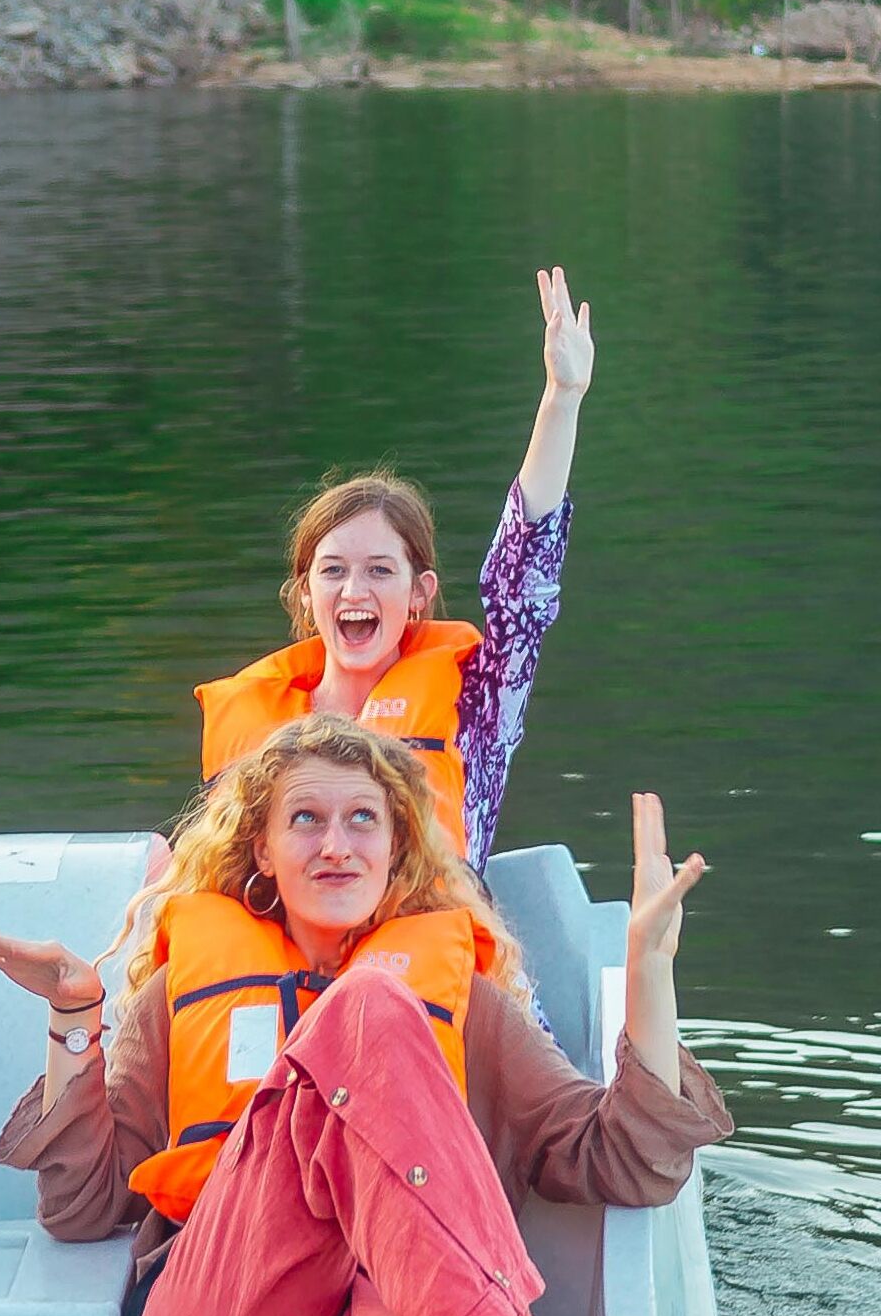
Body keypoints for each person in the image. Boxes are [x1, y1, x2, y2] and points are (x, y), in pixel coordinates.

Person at [0, 715, 726, 1316]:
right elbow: (83, 1209)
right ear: (263, 849)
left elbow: (619, 1159)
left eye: (363, 819)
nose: (336, 843)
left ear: (398, 847)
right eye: (307, 820)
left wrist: (647, 970)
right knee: (368, 1007)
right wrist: (76, 1018)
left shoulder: (466, 1003)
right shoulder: (182, 992)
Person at [195, 267, 596, 870]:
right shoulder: (259, 727)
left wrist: (561, 401)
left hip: (419, 959)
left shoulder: (475, 706)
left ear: (420, 592)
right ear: (304, 595)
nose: (354, 590)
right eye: (332, 572)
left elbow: (522, 591)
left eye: (381, 571)